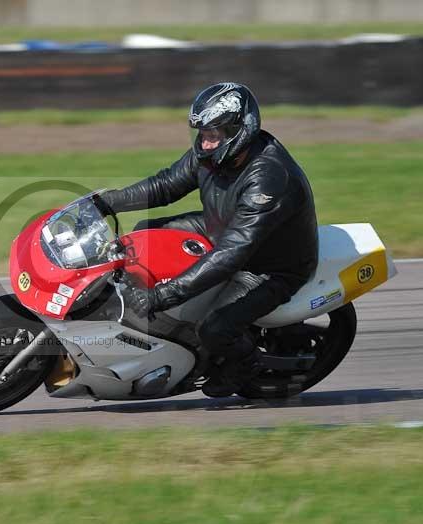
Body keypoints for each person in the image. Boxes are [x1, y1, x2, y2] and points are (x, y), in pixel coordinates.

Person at [99, 82, 319, 397]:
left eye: (213, 135)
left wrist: (162, 296)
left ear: (238, 131)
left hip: (268, 265)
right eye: (202, 134)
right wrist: (108, 202)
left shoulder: (268, 180)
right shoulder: (213, 154)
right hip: (221, 226)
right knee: (144, 234)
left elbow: (232, 254)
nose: (204, 143)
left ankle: (245, 364)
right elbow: (166, 185)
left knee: (214, 328)